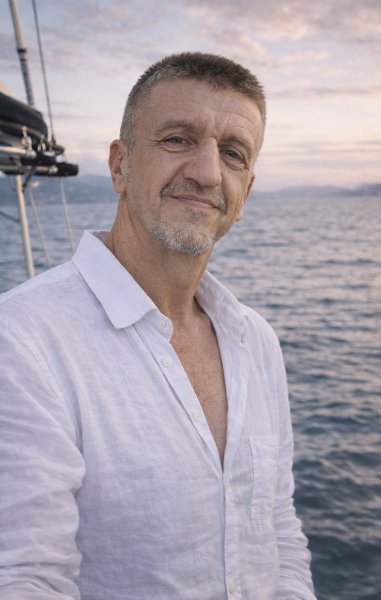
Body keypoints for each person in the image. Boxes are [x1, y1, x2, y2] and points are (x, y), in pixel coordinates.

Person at [0, 52, 315, 600]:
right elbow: (26, 577)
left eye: (233, 154)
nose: (208, 172)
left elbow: (279, 532)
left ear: (244, 194)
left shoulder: (255, 340)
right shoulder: (24, 339)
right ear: (119, 166)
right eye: (178, 139)